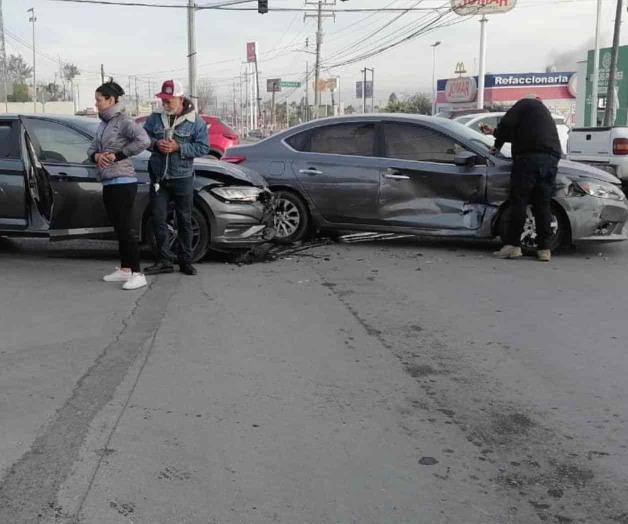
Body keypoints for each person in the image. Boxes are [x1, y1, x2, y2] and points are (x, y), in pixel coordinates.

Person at [88, 80, 151, 290]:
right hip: (108, 181)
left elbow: (144, 140)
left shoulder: (123, 120)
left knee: (127, 229)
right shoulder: (103, 124)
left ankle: (137, 273)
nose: (96, 104)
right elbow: (91, 150)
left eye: (99, 100)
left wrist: (118, 155)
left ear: (111, 100)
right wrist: (96, 155)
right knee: (119, 228)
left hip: (124, 182)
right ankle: (125, 269)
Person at [143, 80, 210, 276]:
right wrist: (155, 145)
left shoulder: (195, 121)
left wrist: (179, 147)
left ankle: (185, 261)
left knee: (184, 219)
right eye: (163, 99)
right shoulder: (155, 118)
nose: (165, 104)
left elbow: (203, 147)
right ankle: (164, 260)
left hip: (182, 176)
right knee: (157, 218)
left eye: (169, 100)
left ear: (180, 99)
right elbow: (144, 139)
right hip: (159, 177)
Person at [489, 97, 562, 262]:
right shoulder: (542, 115)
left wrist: (496, 145)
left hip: (529, 159)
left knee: (519, 200)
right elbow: (520, 133)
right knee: (542, 203)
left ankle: (513, 246)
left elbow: (506, 125)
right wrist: (495, 135)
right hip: (551, 159)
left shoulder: (522, 104)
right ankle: (544, 249)